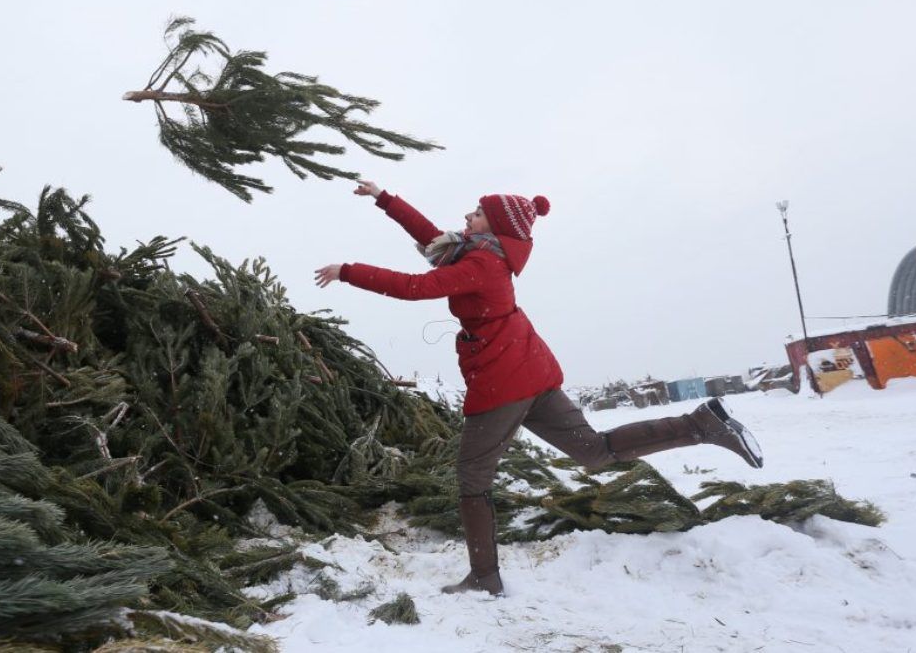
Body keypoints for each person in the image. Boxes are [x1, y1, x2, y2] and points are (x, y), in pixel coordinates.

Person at [315, 180, 763, 597]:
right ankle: (701, 424)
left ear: (495, 226)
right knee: (594, 451)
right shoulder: (474, 253)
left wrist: (347, 271)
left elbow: (415, 288)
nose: (466, 216)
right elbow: (431, 235)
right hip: (530, 369)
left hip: (503, 379)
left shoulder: (480, 264)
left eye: (476, 213)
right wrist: (384, 198)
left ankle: (484, 577)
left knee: (473, 475)